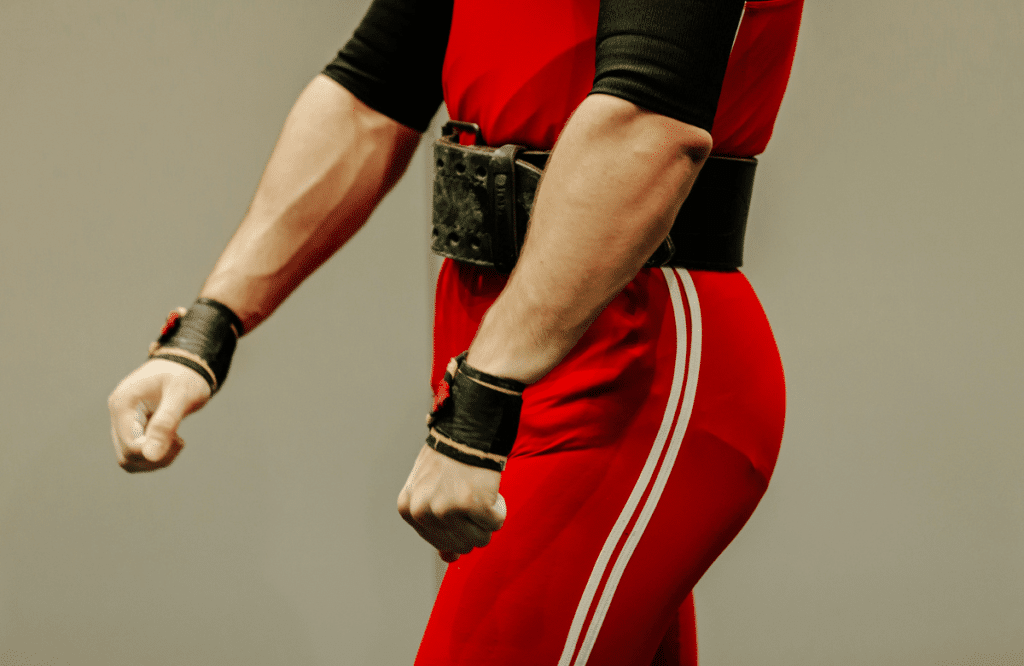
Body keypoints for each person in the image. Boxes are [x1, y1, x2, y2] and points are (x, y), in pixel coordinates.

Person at [107, 0, 803, 663]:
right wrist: (209, 327)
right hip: (511, 352)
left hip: (635, 361)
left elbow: (649, 125)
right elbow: (373, 92)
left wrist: (485, 395)